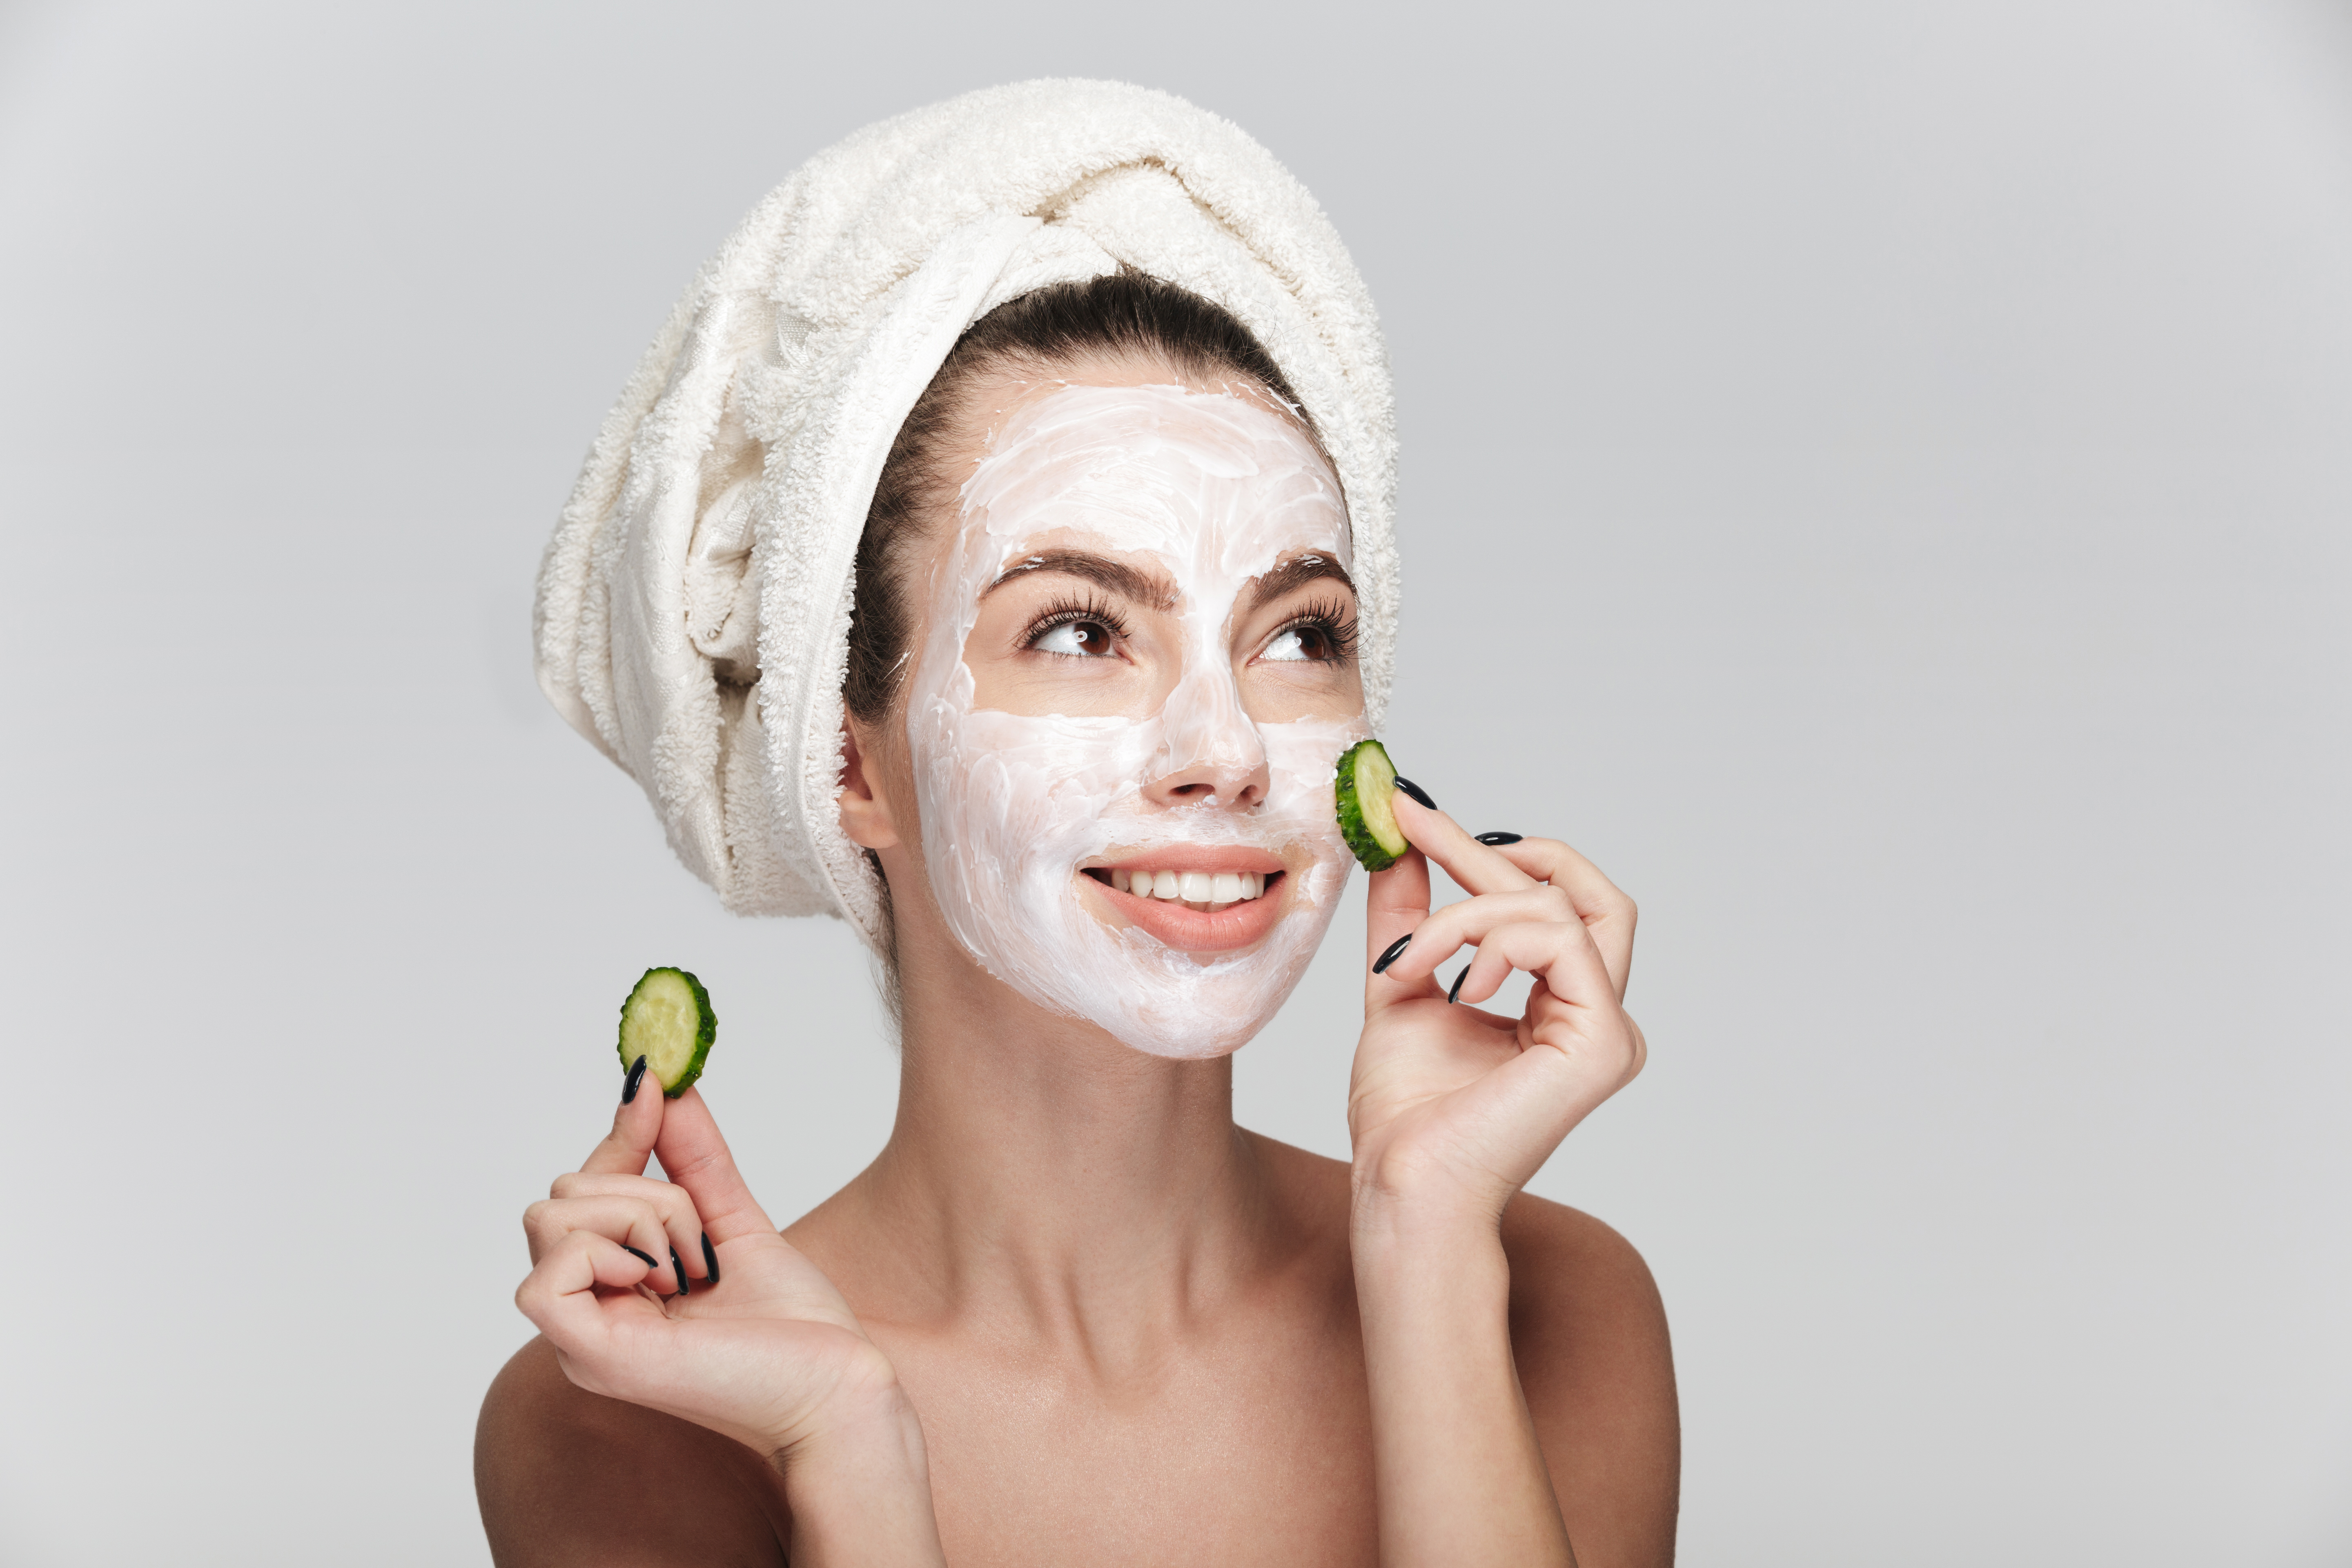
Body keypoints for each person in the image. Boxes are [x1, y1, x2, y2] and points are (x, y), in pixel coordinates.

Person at [478, 81, 1677, 1566]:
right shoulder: (632, 1413)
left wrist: (1426, 1236)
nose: (1225, 749)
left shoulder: (1552, 1306)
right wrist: (845, 1440)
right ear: (846, 763)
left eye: (1300, 636)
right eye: (1077, 632)